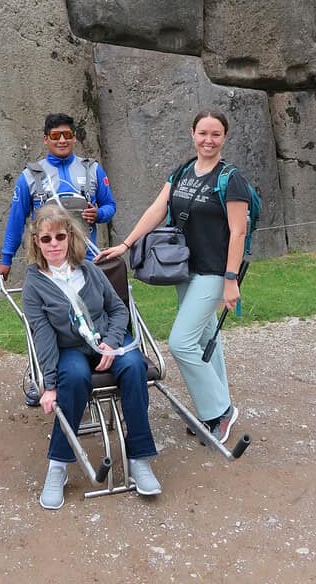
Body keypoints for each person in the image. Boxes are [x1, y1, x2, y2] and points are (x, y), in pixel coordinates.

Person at [96, 110, 250, 444]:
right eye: (203, 133)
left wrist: (231, 278)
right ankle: (219, 409)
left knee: (181, 343)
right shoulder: (182, 171)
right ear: (192, 134)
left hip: (213, 273)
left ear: (225, 137)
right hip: (186, 269)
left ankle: (219, 411)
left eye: (216, 134)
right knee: (207, 339)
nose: (208, 140)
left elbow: (238, 232)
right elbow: (157, 209)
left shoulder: (230, 178)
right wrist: (126, 244)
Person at [22, 204, 160, 509]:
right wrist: (49, 385)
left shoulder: (90, 271)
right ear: (37, 243)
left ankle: (139, 459)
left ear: (70, 237)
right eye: (46, 239)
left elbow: (118, 309)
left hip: (107, 340)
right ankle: (57, 467)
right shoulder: (34, 284)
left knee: (135, 365)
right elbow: (42, 335)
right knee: (74, 378)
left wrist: (111, 342)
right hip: (69, 348)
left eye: (60, 236)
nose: (54, 244)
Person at [0, 113, 116, 283]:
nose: (62, 140)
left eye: (68, 135)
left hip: (85, 259)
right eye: (56, 136)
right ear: (46, 139)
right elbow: (16, 220)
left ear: (74, 139)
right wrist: (6, 260)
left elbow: (110, 206)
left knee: (89, 308)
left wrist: (98, 214)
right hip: (45, 263)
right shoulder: (29, 176)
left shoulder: (92, 170)